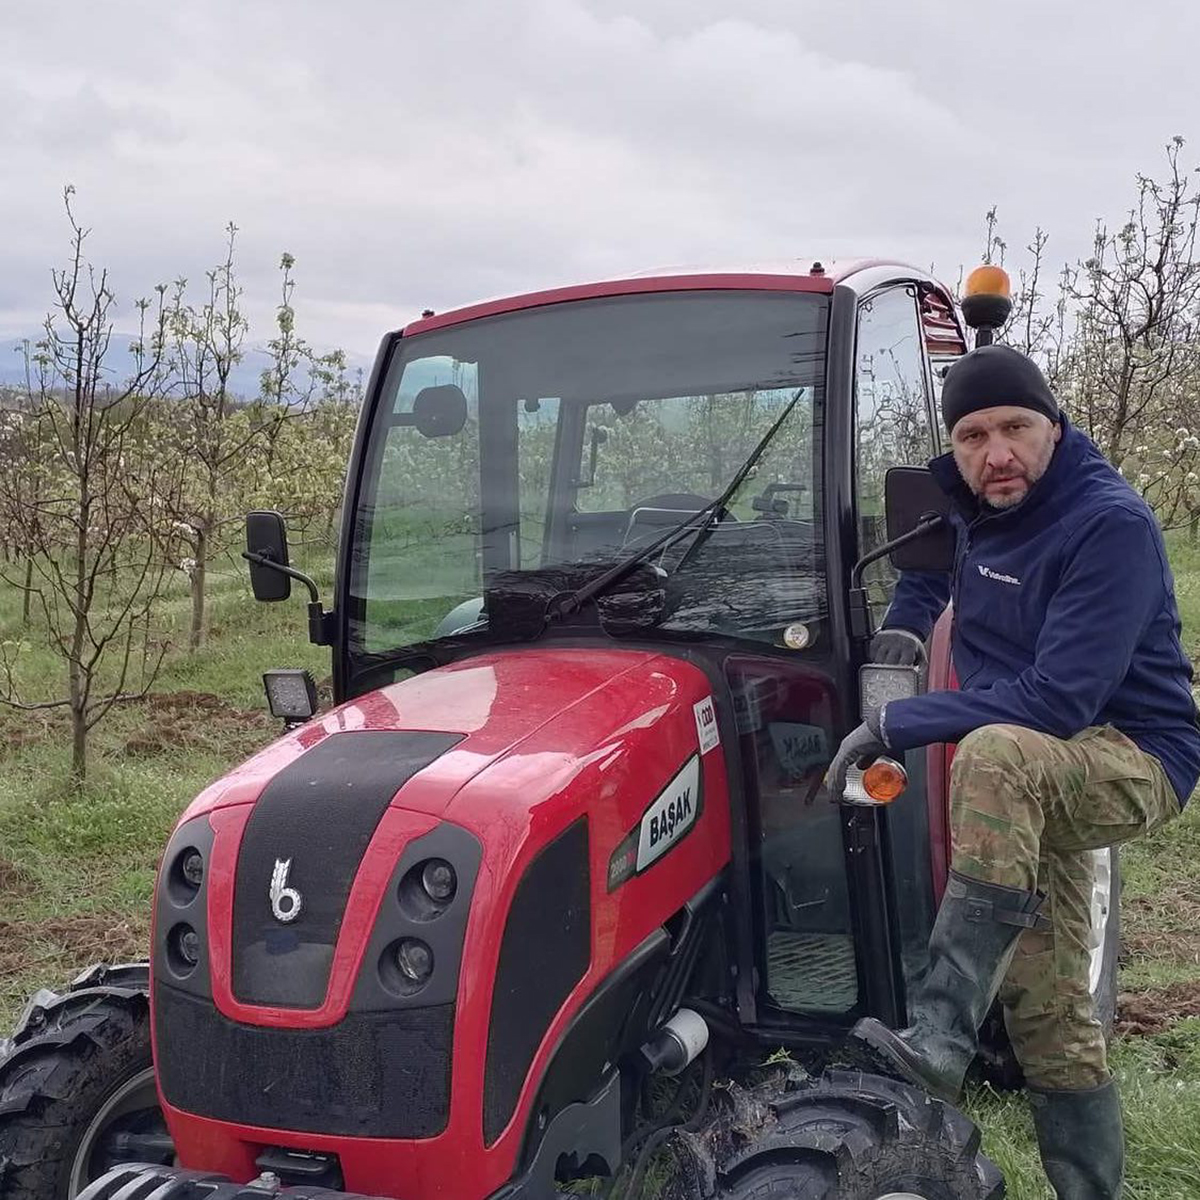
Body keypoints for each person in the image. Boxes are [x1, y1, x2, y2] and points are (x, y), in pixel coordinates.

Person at [824, 344, 1200, 1199]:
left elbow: (1057, 703)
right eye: (974, 433)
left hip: (1131, 754)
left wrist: (897, 721)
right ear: (954, 443)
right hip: (1036, 771)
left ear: (1054, 428)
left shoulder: (1109, 524)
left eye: (1017, 428)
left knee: (995, 750)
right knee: (1048, 1003)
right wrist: (902, 643)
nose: (997, 453)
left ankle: (942, 1036)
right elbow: (924, 574)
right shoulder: (963, 498)